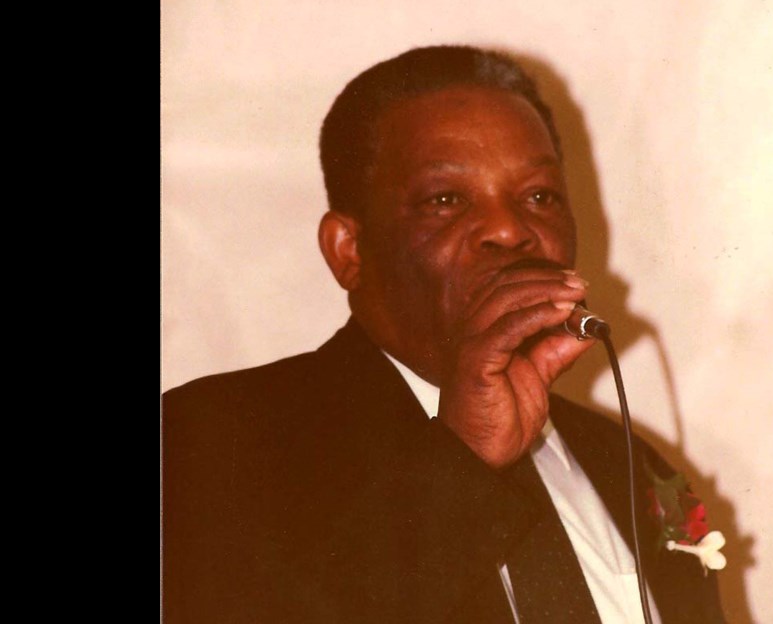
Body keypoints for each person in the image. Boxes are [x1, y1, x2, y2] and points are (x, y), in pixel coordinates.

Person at [162, 45, 725, 624]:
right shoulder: (211, 440)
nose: (510, 230)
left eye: (540, 196)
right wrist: (463, 462)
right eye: (446, 200)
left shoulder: (626, 461)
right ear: (348, 252)